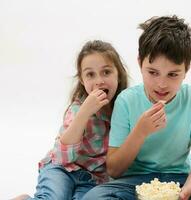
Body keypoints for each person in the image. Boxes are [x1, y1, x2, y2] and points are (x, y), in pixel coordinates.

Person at [83, 15, 191, 200]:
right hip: (133, 184)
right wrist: (140, 131)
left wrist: (185, 192)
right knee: (94, 197)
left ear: (186, 69)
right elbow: (114, 168)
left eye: (172, 74)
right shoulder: (126, 101)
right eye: (153, 72)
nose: (161, 84)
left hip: (180, 181)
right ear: (140, 63)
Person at [12, 40, 128, 200]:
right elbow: (62, 158)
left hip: (92, 180)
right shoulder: (77, 109)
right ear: (82, 80)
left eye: (106, 72)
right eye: (90, 74)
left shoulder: (125, 110)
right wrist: (84, 113)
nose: (99, 81)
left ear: (119, 74)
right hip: (61, 170)